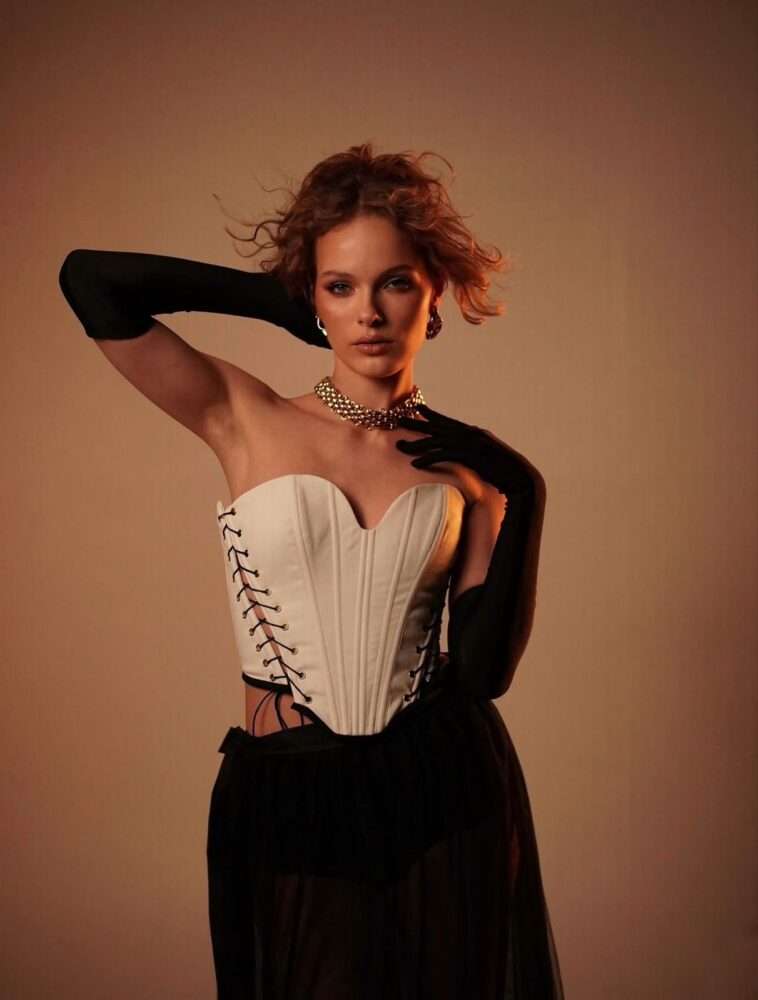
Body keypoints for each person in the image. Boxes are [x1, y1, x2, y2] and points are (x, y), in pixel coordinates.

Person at [58, 142, 564, 999]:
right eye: (340, 286)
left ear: (434, 292)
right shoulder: (243, 416)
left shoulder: (468, 472)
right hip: (286, 788)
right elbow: (90, 281)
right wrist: (277, 299)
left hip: (441, 788)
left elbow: (484, 677)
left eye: (394, 282)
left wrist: (526, 493)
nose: (368, 312)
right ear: (315, 296)